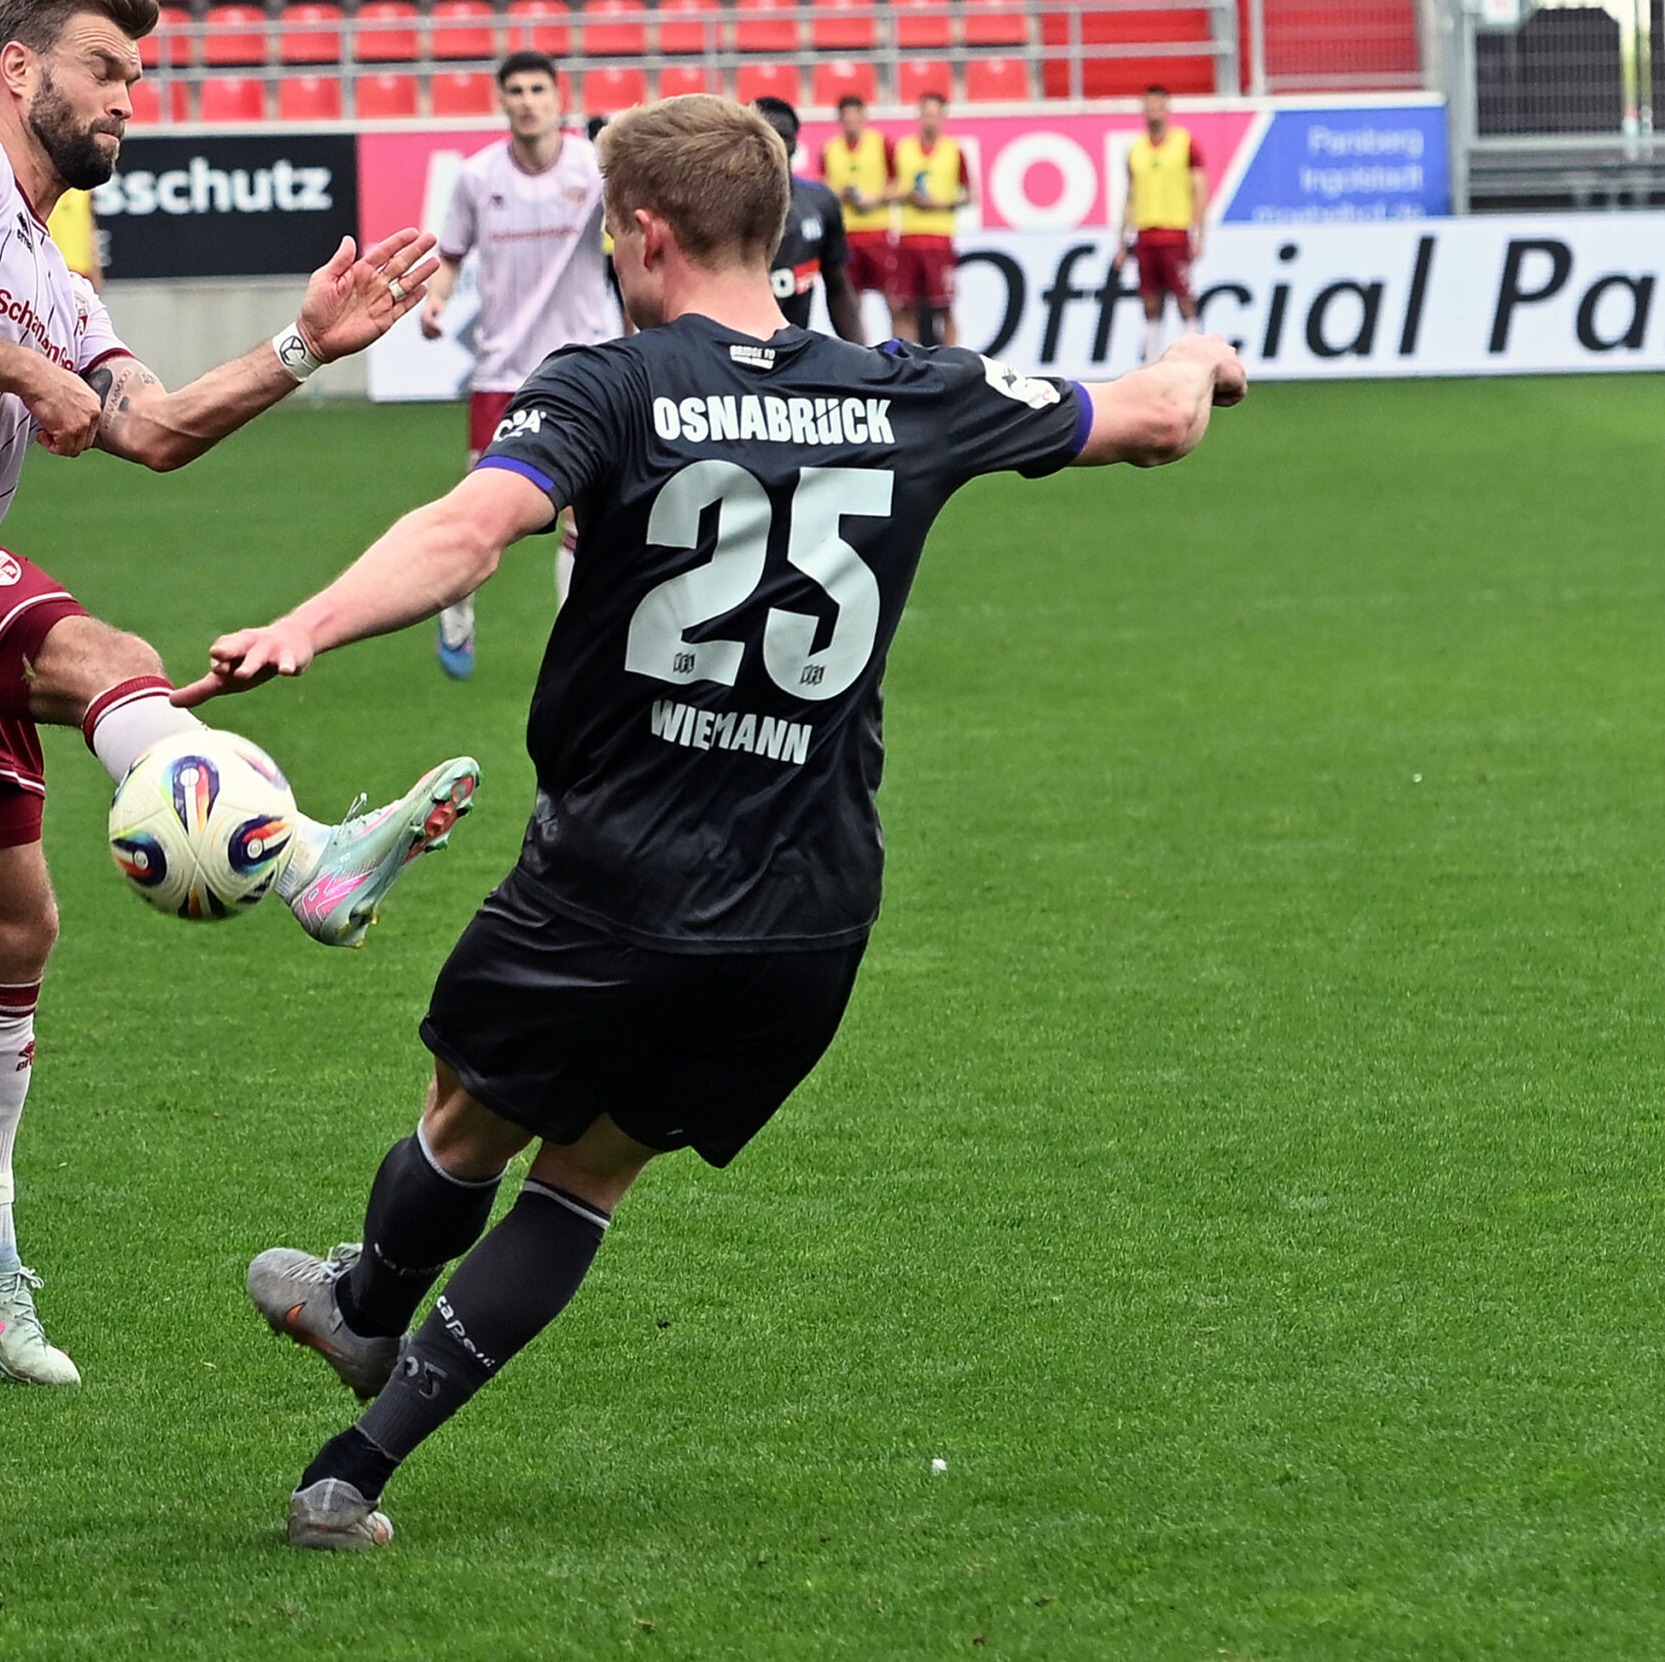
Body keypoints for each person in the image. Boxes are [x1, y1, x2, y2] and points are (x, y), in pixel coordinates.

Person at [173, 94, 1247, 1550]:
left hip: (608, 876)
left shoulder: (610, 383)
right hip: (807, 907)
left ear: (645, 233)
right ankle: (348, 1472)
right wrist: (1197, 354)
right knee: (590, 1177)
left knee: (468, 1118)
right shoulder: (907, 385)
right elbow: (1160, 420)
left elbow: (470, 529)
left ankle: (366, 1303)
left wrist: (306, 624)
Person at [0, 0, 481, 1389]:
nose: (128, 100)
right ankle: (307, 860)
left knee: (11, 930)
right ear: (19, 70)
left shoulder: (55, 276)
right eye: (105, 68)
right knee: (113, 658)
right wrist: (21, 373)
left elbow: (152, 427)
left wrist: (303, 346)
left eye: (138, 80)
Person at [415, 50, 620, 679]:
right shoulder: (477, 177)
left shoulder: (594, 167)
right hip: (503, 372)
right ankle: (456, 609)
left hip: (585, 367)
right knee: (481, 515)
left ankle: (576, 648)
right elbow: (451, 254)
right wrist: (437, 301)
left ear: (558, 97)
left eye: (538, 89)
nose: (528, 101)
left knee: (586, 514)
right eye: (516, 91)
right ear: (500, 100)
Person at [749, 96, 862, 341]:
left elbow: (838, 287)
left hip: (796, 349)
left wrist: (862, 352)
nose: (777, 145)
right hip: (738, 350)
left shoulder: (821, 203)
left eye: (784, 136)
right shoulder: (722, 207)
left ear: (796, 144)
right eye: (768, 136)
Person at [1115, 84, 1206, 362]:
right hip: (1145, 234)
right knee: (1150, 302)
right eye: (1148, 106)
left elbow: (1199, 190)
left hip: (1175, 232)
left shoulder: (1185, 144)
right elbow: (1130, 196)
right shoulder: (1136, 150)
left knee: (1183, 297)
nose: (1153, 112)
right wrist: (1122, 242)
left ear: (1167, 109)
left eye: (1158, 106)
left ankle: (1194, 357)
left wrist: (1199, 233)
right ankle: (1152, 361)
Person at [888, 92, 971, 346]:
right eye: (926, 114)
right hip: (909, 236)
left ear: (943, 117)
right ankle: (905, 360)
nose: (930, 120)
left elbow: (968, 195)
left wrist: (940, 203)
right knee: (906, 306)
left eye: (935, 114)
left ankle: (951, 361)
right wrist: (908, 195)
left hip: (939, 237)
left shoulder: (954, 151)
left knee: (945, 305)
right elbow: (889, 188)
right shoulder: (903, 149)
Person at [817, 94, 894, 338]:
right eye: (847, 119)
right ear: (840, 120)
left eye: (855, 118)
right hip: (847, 233)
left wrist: (873, 198)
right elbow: (822, 188)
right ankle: (860, 350)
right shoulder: (830, 149)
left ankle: (899, 350)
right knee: (852, 300)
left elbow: (898, 185)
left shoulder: (881, 144)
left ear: (863, 117)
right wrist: (840, 194)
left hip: (878, 231)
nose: (851, 123)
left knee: (893, 299)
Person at [48, 183, 103, 290]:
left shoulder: (85, 191)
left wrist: (95, 267)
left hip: (79, 269)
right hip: (50, 268)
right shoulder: (45, 189)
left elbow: (91, 229)